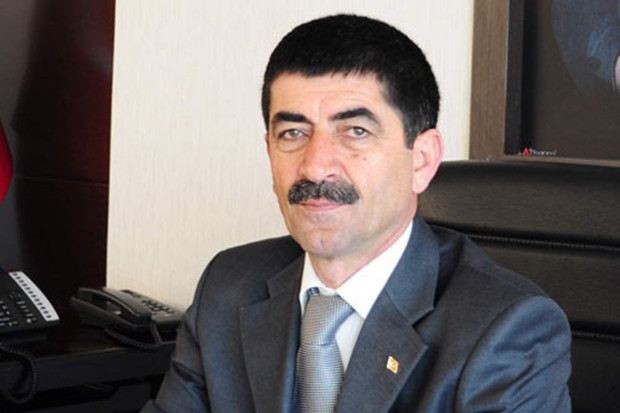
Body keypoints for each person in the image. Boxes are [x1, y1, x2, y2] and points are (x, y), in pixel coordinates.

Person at [142, 14, 571, 413]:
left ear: (422, 160)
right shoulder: (229, 286)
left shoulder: (506, 330)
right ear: (270, 152)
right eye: (293, 133)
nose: (315, 166)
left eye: (355, 131)